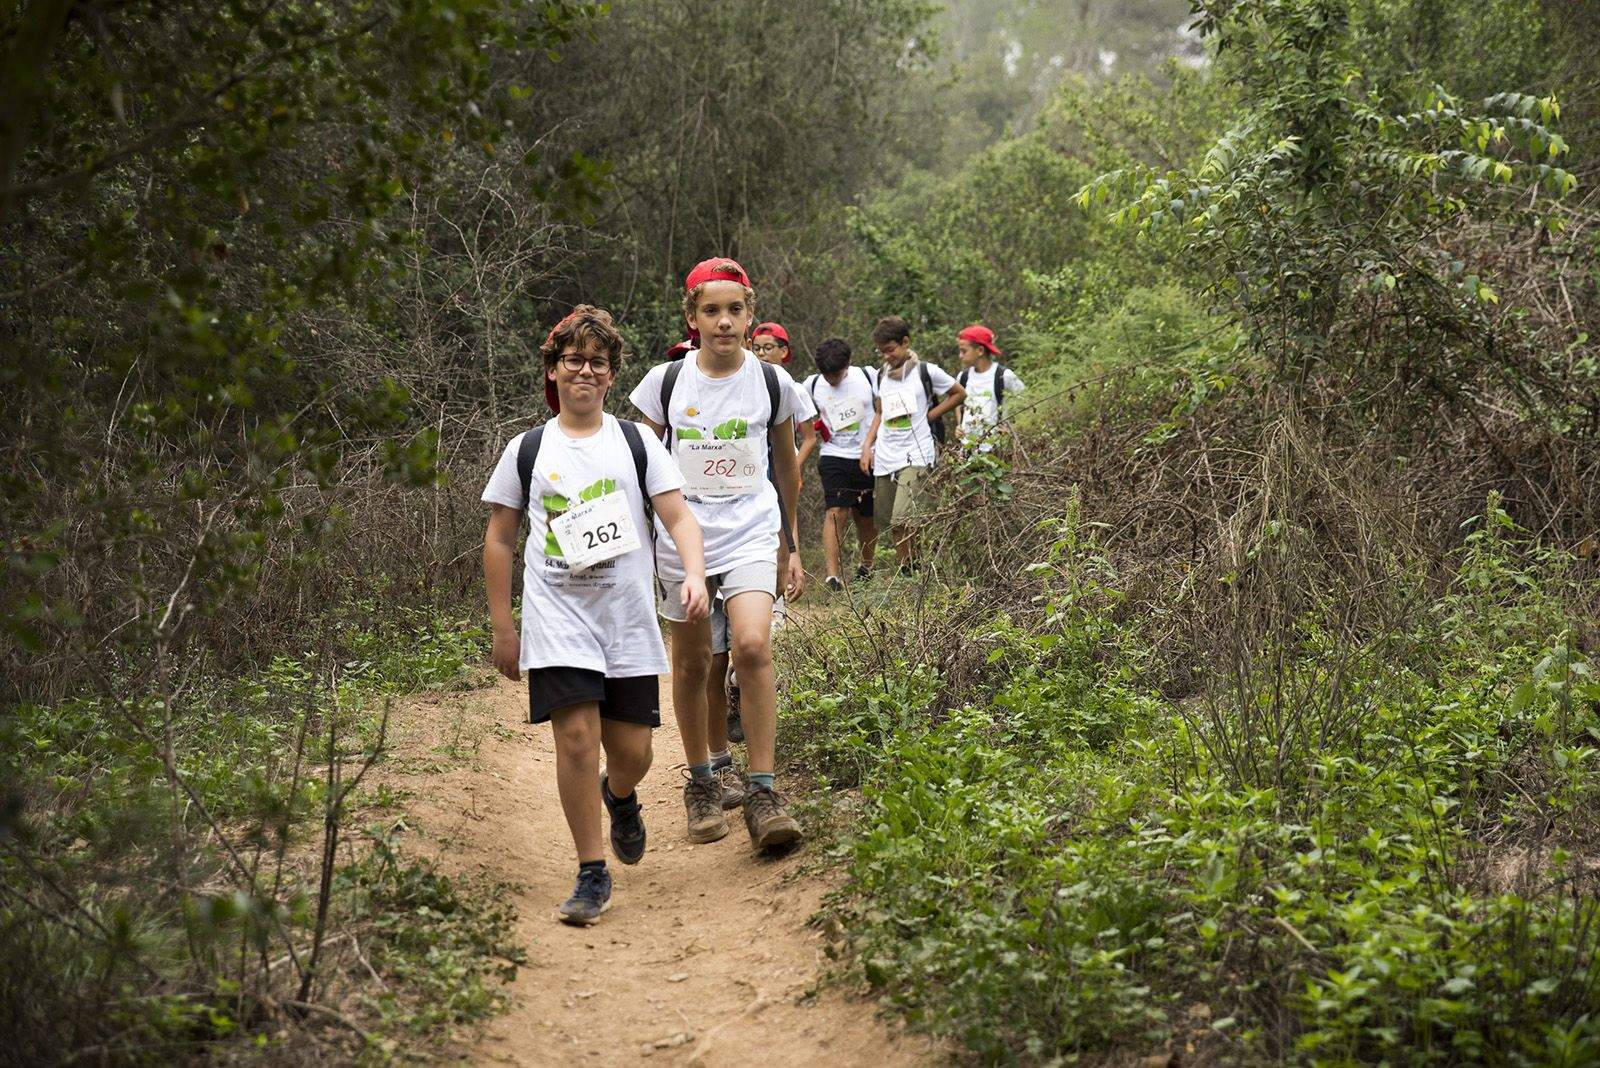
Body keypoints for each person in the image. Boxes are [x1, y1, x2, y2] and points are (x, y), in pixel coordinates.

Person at [482, 306, 709, 926]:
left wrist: (692, 573)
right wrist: (504, 626)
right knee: (577, 738)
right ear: (552, 371)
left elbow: (679, 517)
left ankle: (620, 792)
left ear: (611, 375)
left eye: (597, 362)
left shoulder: (636, 442)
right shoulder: (527, 450)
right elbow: (500, 537)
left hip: (625, 619)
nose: (584, 371)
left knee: (633, 752)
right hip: (557, 618)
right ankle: (591, 871)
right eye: (572, 360)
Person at [630, 257, 807, 853]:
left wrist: (789, 545)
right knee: (695, 663)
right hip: (685, 538)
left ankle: (763, 792)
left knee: (752, 645)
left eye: (734, 310)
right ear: (693, 317)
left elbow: (786, 468)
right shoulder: (665, 382)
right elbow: (640, 463)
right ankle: (703, 782)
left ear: (751, 314)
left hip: (753, 528)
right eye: (712, 311)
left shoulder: (773, 383)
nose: (724, 321)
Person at [860, 315, 965, 574]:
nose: (886, 356)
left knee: (903, 516)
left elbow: (959, 393)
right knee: (888, 519)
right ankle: (910, 567)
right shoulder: (881, 376)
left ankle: (913, 569)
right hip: (886, 454)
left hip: (917, 452)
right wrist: (867, 446)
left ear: (905, 343)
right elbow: (880, 412)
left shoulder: (926, 372)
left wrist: (931, 415)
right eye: (881, 351)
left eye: (890, 350)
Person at [797, 337, 879, 589]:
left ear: (847, 364)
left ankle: (866, 568)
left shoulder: (868, 376)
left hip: (866, 456)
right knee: (835, 511)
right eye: (827, 374)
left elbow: (882, 410)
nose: (831, 379)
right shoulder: (812, 384)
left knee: (865, 517)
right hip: (833, 455)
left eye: (836, 374)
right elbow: (799, 415)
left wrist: (871, 445)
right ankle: (832, 576)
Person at [750, 321, 817, 626]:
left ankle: (778, 604)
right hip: (754, 469)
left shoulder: (792, 387)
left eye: (768, 347)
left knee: (785, 523)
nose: (762, 353)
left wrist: (791, 466)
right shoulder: (747, 382)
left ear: (784, 351)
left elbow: (810, 437)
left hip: (781, 470)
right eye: (757, 348)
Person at [954, 324, 1024, 452]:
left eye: (964, 351)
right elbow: (958, 404)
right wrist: (959, 425)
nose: (960, 355)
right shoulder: (963, 377)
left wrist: (1012, 429)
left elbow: (1024, 403)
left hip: (996, 450)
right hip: (966, 450)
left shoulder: (1004, 376)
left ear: (980, 350)